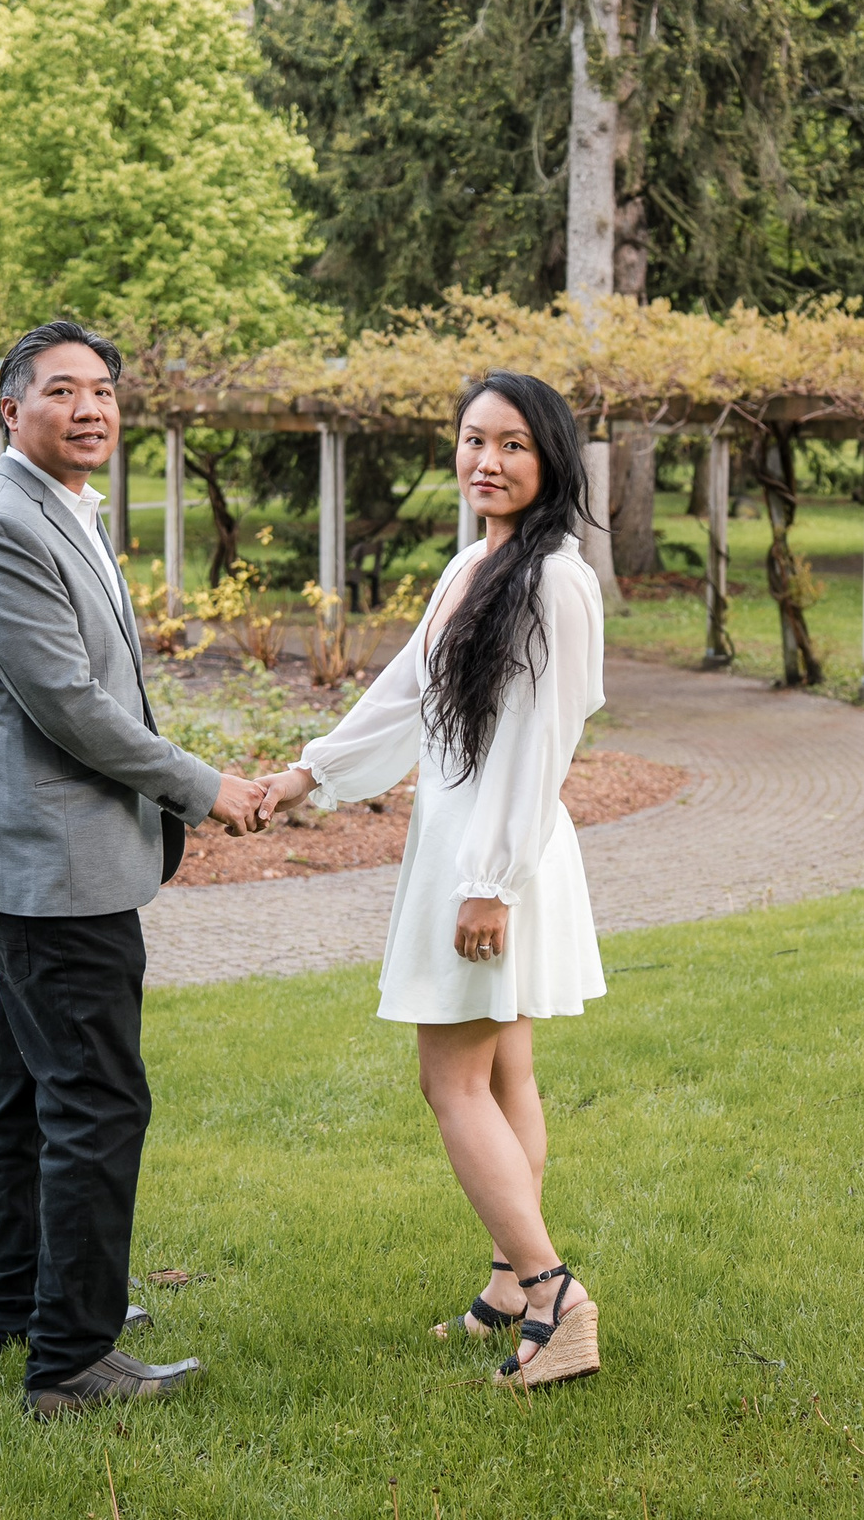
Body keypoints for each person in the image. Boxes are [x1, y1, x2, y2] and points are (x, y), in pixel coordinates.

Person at [252, 370, 606, 1390]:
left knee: (448, 1079)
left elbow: (545, 742)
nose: (485, 462)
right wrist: (309, 770)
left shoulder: (553, 580)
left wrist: (490, 879)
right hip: (468, 838)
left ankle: (555, 1295)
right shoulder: (472, 563)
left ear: (549, 462)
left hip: (498, 853)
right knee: (502, 1073)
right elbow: (405, 693)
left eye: (511, 446)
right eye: (471, 440)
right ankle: (508, 1285)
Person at [0, 319, 269, 1418]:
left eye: (105, 390)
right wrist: (202, 782)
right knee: (94, 1099)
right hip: (56, 868)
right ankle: (72, 1361)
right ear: (11, 411)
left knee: (33, 1095)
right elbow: (73, 707)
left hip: (51, 864)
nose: (92, 408)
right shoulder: (3, 527)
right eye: (64, 390)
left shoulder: (57, 510)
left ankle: (28, 1307)